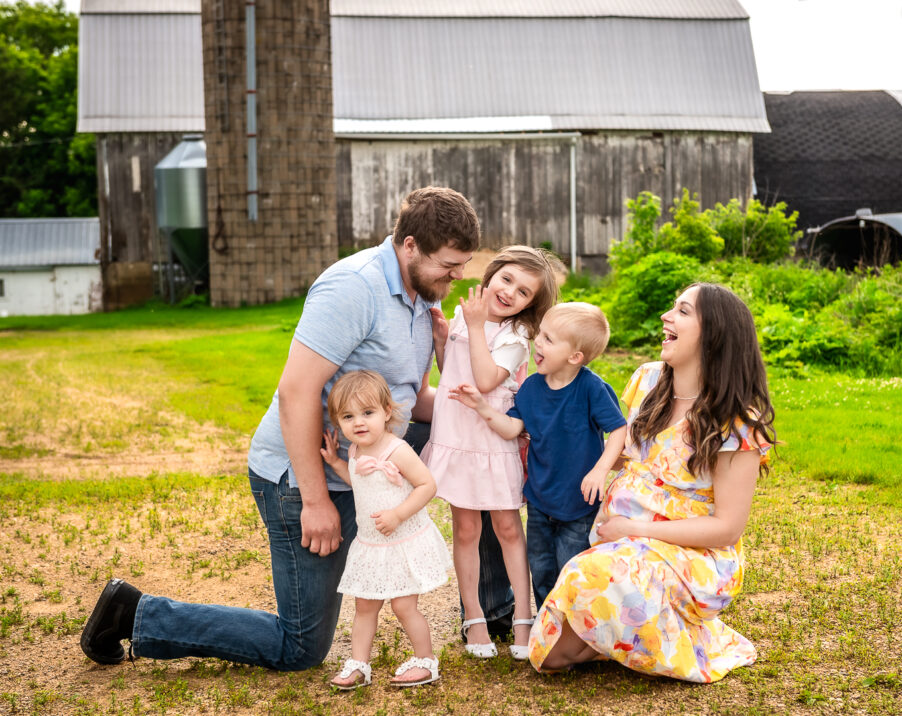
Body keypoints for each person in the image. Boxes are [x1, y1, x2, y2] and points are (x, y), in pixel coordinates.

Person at [79, 186, 504, 671]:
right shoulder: (353, 288)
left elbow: (411, 402)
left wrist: (494, 420)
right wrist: (316, 500)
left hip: (368, 458)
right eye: (449, 265)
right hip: (306, 474)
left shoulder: (421, 298)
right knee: (299, 647)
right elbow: (296, 393)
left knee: (482, 447)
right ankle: (135, 615)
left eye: (463, 264)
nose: (458, 275)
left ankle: (498, 607)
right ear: (410, 246)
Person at [527, 283, 778, 683]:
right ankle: (642, 624)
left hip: (689, 554)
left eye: (682, 311)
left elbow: (727, 528)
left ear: (713, 333)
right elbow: (626, 455)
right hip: (618, 542)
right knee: (551, 653)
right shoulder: (647, 381)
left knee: (589, 578)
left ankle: (680, 631)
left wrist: (637, 529)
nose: (666, 317)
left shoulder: (737, 421)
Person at [420, 246, 558, 660]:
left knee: (508, 530)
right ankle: (474, 617)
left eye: (523, 292)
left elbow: (484, 380)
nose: (510, 292)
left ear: (530, 305)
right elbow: (455, 375)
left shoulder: (516, 336)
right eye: (507, 279)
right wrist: (446, 340)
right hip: (458, 437)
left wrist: (476, 327)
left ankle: (522, 615)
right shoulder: (467, 314)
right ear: (491, 274)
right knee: (465, 531)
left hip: (491, 443)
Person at [450, 302, 627, 609]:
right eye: (540, 334)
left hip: (579, 504)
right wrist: (481, 406)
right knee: (542, 569)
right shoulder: (531, 387)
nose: (538, 343)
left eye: (548, 339)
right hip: (540, 500)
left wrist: (600, 471)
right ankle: (549, 633)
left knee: (571, 570)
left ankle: (576, 634)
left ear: (574, 357)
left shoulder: (591, 389)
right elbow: (511, 428)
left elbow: (619, 430)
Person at [318, 371, 450, 689]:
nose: (358, 423)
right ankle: (359, 664)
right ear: (338, 422)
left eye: (368, 413)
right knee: (364, 606)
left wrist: (397, 514)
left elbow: (427, 485)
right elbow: (363, 485)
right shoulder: (355, 452)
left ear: (386, 412)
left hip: (402, 539)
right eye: (348, 416)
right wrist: (337, 464)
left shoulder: (397, 450)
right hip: (372, 545)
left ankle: (426, 661)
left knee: (404, 606)